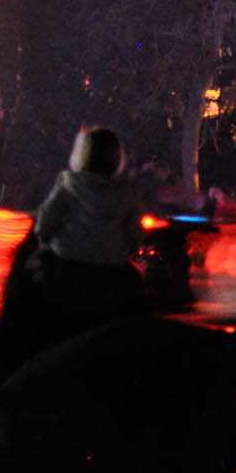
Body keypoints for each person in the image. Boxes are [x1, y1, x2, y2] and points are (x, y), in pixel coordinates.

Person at [31, 126, 145, 333]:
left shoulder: (68, 185)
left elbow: (44, 224)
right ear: (117, 157)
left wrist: (46, 245)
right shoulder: (128, 193)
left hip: (66, 266)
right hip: (113, 270)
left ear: (81, 154)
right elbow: (135, 236)